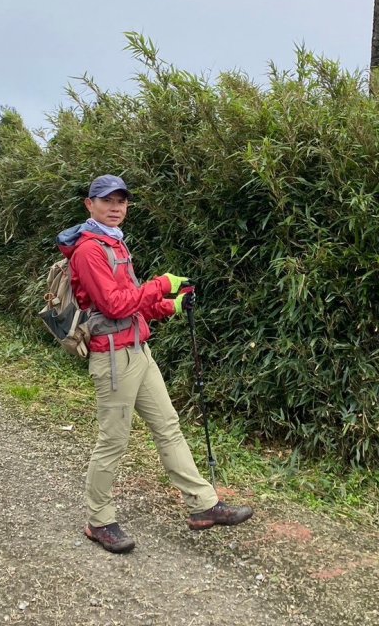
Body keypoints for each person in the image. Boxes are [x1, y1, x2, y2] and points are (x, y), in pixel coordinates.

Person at [62, 173, 253, 554]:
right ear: (90, 205)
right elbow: (114, 305)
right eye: (107, 201)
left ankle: (203, 505)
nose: (116, 207)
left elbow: (129, 302)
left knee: (168, 425)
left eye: (122, 201)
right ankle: (98, 521)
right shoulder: (89, 250)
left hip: (138, 350)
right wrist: (162, 284)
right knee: (113, 441)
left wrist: (170, 305)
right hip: (114, 357)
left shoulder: (115, 243)